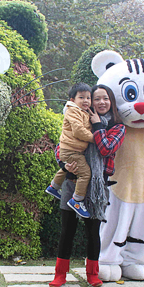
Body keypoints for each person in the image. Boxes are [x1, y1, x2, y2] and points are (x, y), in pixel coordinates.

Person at [49, 84, 126, 287]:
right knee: (67, 230)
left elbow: (106, 148)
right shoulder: (80, 117)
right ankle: (60, 274)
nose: (100, 102)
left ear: (111, 102)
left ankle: (92, 274)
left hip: (97, 188)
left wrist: (98, 125)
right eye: (96, 98)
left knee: (93, 232)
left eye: (105, 99)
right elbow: (62, 145)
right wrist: (62, 164)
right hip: (72, 182)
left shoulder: (117, 127)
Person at [46, 83, 95, 218]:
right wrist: (95, 139)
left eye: (88, 98)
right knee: (85, 174)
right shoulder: (73, 111)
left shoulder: (81, 111)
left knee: (68, 167)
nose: (86, 101)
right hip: (72, 150)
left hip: (70, 150)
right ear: (73, 100)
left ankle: (53, 187)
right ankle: (77, 200)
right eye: (81, 97)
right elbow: (79, 131)